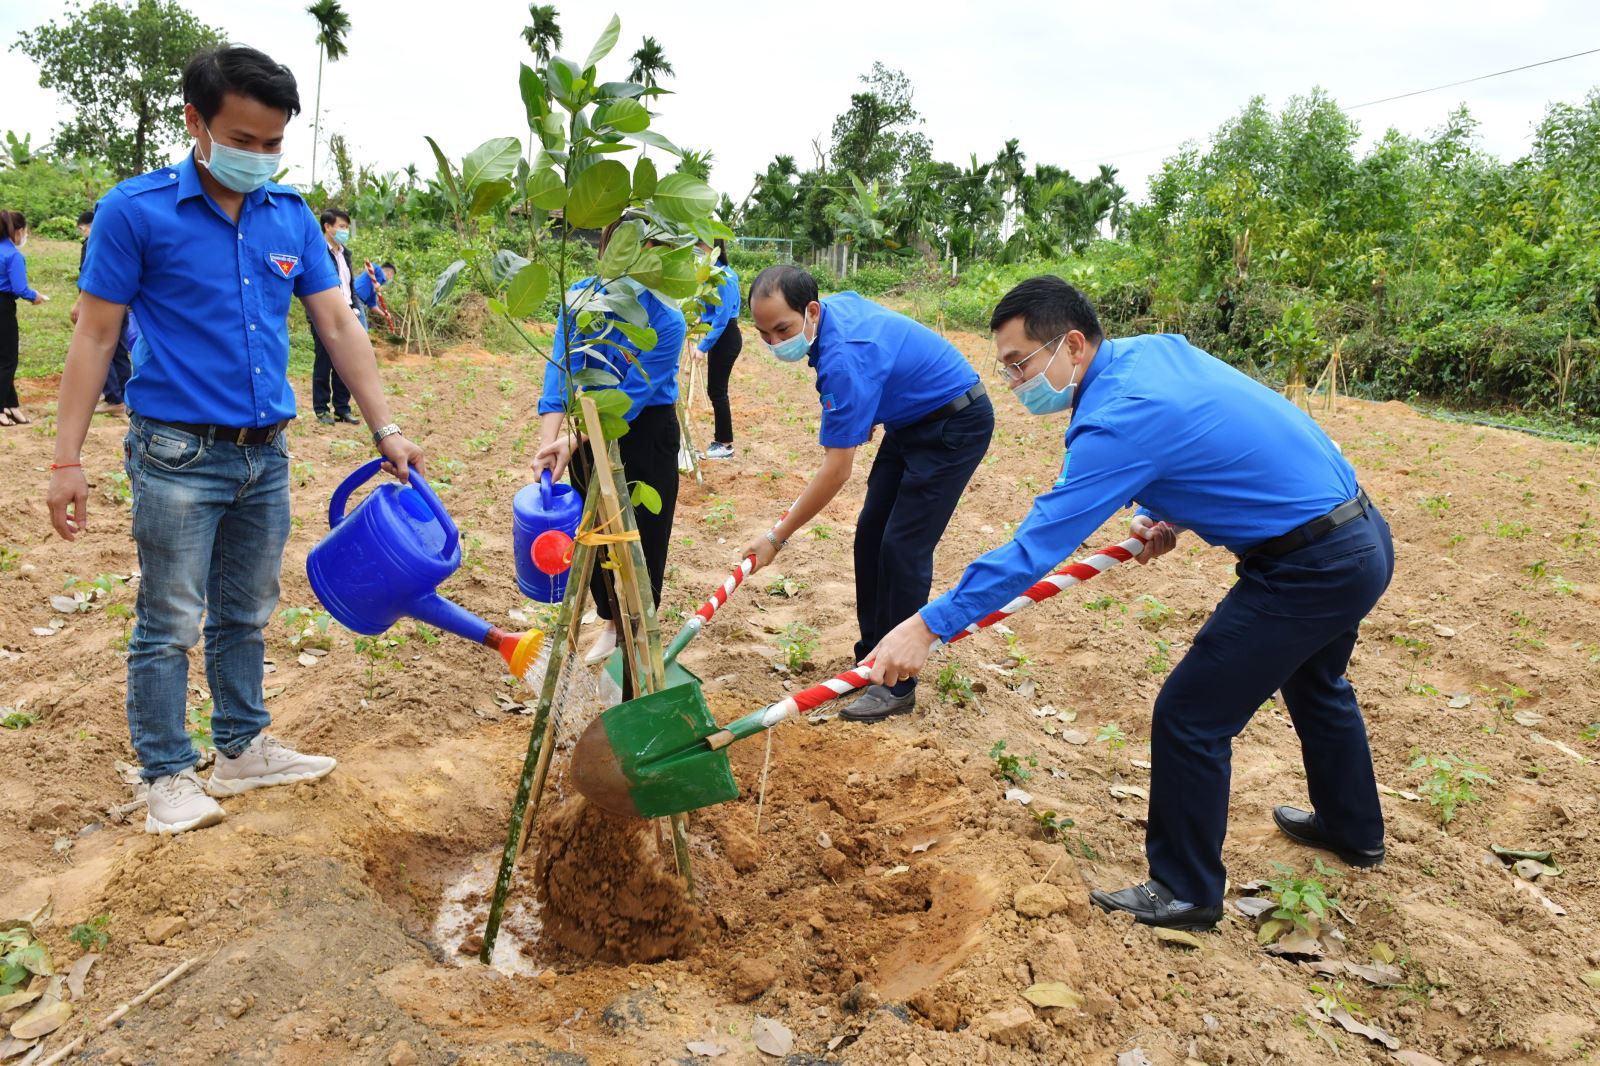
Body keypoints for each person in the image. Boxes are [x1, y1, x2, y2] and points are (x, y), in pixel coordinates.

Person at [867, 276, 1394, 930]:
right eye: (1004, 369)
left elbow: (1034, 550)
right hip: (1362, 536)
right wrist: (1159, 512)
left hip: (1312, 567)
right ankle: (1354, 830)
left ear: (1075, 346)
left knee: (1190, 716)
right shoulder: (1152, 354)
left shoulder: (1118, 417)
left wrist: (926, 624)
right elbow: (1209, 434)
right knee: (1317, 680)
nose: (1014, 382)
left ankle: (1186, 891)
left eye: (1020, 364)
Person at [46, 44, 423, 836]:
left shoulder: (288, 217)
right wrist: (65, 459)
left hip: (266, 452)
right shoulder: (135, 211)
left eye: (273, 143)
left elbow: (336, 323)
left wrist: (385, 426)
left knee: (246, 610)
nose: (258, 156)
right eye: (243, 140)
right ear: (197, 122)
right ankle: (166, 774)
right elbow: (94, 335)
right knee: (170, 617)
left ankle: (242, 748)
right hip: (176, 452)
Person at [743, 265, 994, 721]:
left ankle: (897, 686)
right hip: (909, 421)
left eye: (783, 329)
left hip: (955, 422)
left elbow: (836, 471)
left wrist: (776, 537)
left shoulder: (844, 360)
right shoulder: (832, 318)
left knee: (902, 546)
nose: (776, 344)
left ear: (812, 311)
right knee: (870, 534)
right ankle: (872, 659)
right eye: (764, 334)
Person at [533, 219, 687, 664]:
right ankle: (609, 620)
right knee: (593, 527)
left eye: (646, 252)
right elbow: (560, 370)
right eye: (622, 250)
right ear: (605, 251)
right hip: (583, 426)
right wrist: (551, 444)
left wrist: (573, 441)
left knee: (643, 533)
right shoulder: (580, 298)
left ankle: (636, 628)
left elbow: (631, 398)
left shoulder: (665, 318)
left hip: (645, 427)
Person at [73, 208, 135, 414]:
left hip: (101, 304)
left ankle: (112, 397)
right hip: (122, 303)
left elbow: (90, 276)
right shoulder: (121, 239)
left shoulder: (91, 244)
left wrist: (80, 303)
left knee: (99, 347)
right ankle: (125, 396)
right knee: (119, 351)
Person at [307, 207, 361, 425]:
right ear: (327, 227)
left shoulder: (344, 254)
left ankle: (342, 408)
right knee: (324, 362)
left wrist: (355, 307)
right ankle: (321, 409)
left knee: (345, 363)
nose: (345, 231)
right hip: (325, 316)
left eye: (347, 227)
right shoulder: (317, 252)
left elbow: (350, 286)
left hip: (348, 313)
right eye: (341, 227)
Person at [695, 239, 741, 460]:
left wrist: (702, 347)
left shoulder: (724, 278)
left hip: (725, 336)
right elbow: (711, 310)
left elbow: (722, 319)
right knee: (716, 389)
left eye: (701, 248)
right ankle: (721, 441)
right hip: (721, 334)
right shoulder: (717, 275)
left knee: (717, 391)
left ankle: (724, 444)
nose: (699, 253)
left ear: (714, 250)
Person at [0, 210, 44, 426]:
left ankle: (12, 405)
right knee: (8, 359)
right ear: (17, 230)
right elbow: (20, 288)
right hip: (3, 307)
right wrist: (34, 296)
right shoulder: (13, 255)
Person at [352, 260, 396, 331]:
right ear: (390, 273)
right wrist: (376, 283)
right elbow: (368, 266)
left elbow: (372, 305)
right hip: (355, 296)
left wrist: (384, 315)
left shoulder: (375, 290)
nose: (390, 279)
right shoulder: (379, 270)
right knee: (363, 329)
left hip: (357, 300)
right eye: (392, 276)